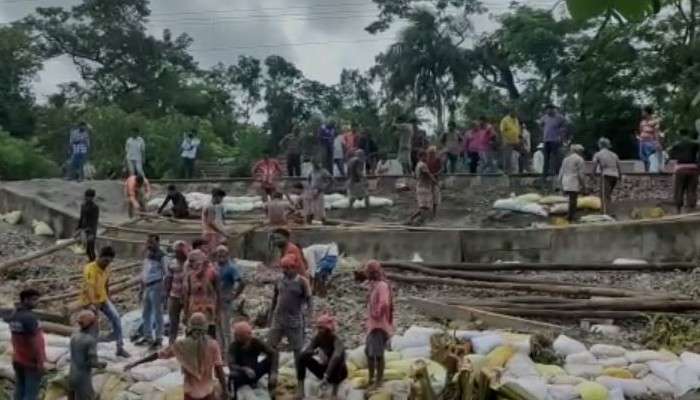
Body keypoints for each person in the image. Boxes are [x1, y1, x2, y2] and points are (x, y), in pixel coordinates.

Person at [125, 312, 229, 400]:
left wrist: (136, 363)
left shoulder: (180, 345)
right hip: (208, 392)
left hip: (190, 393)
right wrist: (225, 390)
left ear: (190, 327)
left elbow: (157, 355)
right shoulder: (213, 344)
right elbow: (219, 369)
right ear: (205, 327)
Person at [268, 254, 312, 399]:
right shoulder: (279, 280)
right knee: (272, 347)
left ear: (296, 267)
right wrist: (270, 314)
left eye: (289, 268)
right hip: (278, 319)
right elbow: (275, 298)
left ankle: (300, 386)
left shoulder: (302, 282)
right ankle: (273, 375)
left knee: (298, 353)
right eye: (284, 268)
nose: (286, 271)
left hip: (294, 321)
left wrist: (309, 316)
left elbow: (309, 300)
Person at [79, 246, 130, 357]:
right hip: (89, 301)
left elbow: (106, 283)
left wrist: (108, 297)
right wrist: (93, 304)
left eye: (110, 261)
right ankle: (89, 351)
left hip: (103, 298)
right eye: (105, 260)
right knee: (93, 327)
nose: (107, 263)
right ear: (99, 257)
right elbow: (89, 288)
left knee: (116, 318)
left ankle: (120, 347)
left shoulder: (107, 268)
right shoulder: (90, 269)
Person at [4, 289, 45, 400]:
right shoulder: (30, 318)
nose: (37, 302)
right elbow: (35, 342)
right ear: (25, 300)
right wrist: (40, 362)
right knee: (31, 394)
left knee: (19, 389)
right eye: (34, 300)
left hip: (18, 359)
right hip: (30, 362)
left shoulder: (14, 315)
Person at [297, 313, 348, 400]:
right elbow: (307, 350)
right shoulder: (318, 338)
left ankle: (334, 393)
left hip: (338, 373)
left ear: (328, 329)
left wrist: (326, 376)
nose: (319, 330)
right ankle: (300, 390)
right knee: (302, 357)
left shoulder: (336, 340)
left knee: (337, 359)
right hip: (325, 370)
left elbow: (336, 356)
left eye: (321, 328)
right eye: (318, 328)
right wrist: (314, 352)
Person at [364, 260, 394, 390]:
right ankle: (371, 379)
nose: (367, 275)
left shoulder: (382, 285)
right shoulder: (375, 285)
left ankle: (378, 381)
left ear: (372, 272)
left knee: (378, 355)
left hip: (379, 326)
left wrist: (376, 314)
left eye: (368, 272)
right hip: (373, 325)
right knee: (369, 353)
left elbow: (385, 303)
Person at [228, 321, 277, 398]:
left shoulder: (255, 342)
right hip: (242, 375)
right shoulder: (233, 346)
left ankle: (272, 391)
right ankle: (234, 396)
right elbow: (231, 365)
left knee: (270, 361)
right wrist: (244, 369)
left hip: (255, 371)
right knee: (233, 375)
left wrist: (273, 372)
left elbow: (273, 353)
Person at [214, 245, 245, 358]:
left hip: (225, 301)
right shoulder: (215, 266)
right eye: (219, 254)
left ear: (227, 255)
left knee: (226, 329)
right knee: (217, 330)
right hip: (215, 302)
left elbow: (241, 282)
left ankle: (229, 354)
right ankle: (220, 353)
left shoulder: (231, 268)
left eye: (223, 254)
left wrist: (234, 295)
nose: (221, 256)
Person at [68, 310, 107, 400]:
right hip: (82, 378)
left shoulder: (74, 336)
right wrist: (102, 364)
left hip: (71, 375)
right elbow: (93, 363)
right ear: (92, 324)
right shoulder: (90, 340)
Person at [137, 234, 166, 349]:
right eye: (148, 242)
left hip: (157, 285)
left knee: (158, 313)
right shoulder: (147, 255)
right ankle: (147, 336)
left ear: (158, 243)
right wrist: (141, 288)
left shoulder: (162, 256)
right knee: (146, 313)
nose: (149, 245)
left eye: (152, 243)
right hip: (147, 286)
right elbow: (144, 272)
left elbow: (166, 273)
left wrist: (164, 290)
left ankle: (158, 338)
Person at [182, 250, 220, 337]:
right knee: (192, 338)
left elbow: (218, 294)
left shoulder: (212, 273)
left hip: (208, 312)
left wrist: (218, 313)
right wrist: (185, 313)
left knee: (208, 338)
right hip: (193, 311)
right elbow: (186, 296)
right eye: (190, 261)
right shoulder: (189, 275)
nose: (191, 264)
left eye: (193, 261)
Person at [668, 128, 700, 214]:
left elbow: (670, 154)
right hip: (693, 169)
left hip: (681, 168)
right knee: (691, 190)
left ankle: (678, 209)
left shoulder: (676, 144)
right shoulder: (694, 143)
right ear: (688, 134)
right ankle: (691, 209)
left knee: (679, 189)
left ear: (680, 134)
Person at [165, 240, 189, 345]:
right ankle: (171, 344)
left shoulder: (190, 263)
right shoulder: (172, 263)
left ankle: (188, 344)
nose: (177, 253)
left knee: (188, 321)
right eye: (176, 251)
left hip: (187, 297)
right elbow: (168, 279)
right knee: (173, 322)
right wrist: (167, 294)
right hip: (174, 296)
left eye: (179, 251)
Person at [408, 150, 440, 225]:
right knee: (424, 207)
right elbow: (428, 174)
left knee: (426, 207)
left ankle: (413, 219)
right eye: (425, 156)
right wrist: (435, 182)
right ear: (421, 156)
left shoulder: (418, 164)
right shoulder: (422, 165)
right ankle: (419, 221)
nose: (427, 158)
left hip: (423, 187)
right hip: (423, 187)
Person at [592, 138, 621, 215]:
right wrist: (620, 177)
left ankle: (605, 214)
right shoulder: (614, 154)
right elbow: (618, 167)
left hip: (606, 175)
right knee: (608, 195)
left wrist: (593, 176)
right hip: (615, 176)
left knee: (603, 196)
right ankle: (610, 211)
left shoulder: (598, 154)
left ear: (600, 145)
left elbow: (594, 166)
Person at [559, 144, 586, 223]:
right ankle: (571, 216)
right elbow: (581, 174)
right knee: (573, 199)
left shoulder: (565, 159)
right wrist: (584, 185)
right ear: (579, 151)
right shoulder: (579, 159)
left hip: (565, 180)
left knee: (571, 199)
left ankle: (570, 215)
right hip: (573, 181)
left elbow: (561, 171)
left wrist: (560, 183)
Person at [539, 105, 568, 177]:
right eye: (546, 110)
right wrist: (543, 131)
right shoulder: (545, 117)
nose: (547, 111)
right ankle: (545, 175)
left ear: (553, 110)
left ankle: (555, 173)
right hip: (546, 140)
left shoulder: (559, 117)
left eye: (549, 110)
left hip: (555, 140)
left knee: (555, 157)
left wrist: (561, 135)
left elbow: (565, 125)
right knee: (546, 158)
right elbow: (540, 124)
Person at [304, 159, 332, 224]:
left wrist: (324, 187)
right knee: (312, 206)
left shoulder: (323, 171)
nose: (316, 165)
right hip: (312, 190)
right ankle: (311, 220)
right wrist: (309, 187)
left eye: (317, 163)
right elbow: (309, 179)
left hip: (319, 190)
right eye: (314, 164)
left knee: (320, 207)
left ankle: (322, 220)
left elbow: (331, 180)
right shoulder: (312, 171)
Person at [201, 188, 228, 254]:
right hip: (211, 234)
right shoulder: (210, 207)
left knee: (211, 252)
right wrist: (222, 232)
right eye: (221, 198)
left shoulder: (210, 205)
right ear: (216, 197)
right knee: (213, 253)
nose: (222, 200)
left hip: (209, 232)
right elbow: (210, 223)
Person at [638, 106, 664, 172]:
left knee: (650, 157)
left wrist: (657, 142)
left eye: (643, 111)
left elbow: (656, 132)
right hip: (642, 142)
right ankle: (646, 171)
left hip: (650, 142)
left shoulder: (654, 121)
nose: (642, 113)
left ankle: (650, 172)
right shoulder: (642, 122)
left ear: (647, 112)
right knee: (643, 157)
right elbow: (641, 131)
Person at [76, 189, 99, 262]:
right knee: (86, 248)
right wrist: (78, 228)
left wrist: (91, 231)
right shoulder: (83, 205)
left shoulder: (95, 207)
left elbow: (95, 220)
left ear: (93, 198)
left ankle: (93, 260)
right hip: (83, 228)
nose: (88, 198)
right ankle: (91, 260)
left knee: (91, 247)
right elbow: (81, 217)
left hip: (91, 230)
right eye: (87, 196)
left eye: (90, 197)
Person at [499, 110, 521, 174]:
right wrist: (505, 140)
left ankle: (518, 171)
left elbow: (517, 130)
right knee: (507, 157)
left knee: (518, 156)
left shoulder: (516, 119)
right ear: (510, 112)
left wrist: (519, 139)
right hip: (508, 142)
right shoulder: (505, 120)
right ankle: (506, 171)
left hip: (516, 141)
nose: (515, 114)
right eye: (514, 112)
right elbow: (502, 131)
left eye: (516, 112)